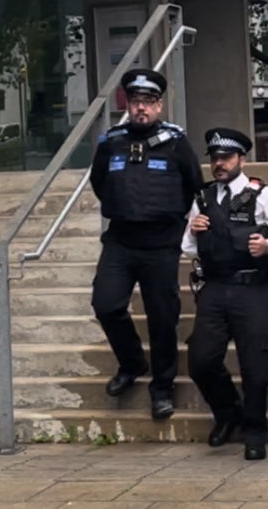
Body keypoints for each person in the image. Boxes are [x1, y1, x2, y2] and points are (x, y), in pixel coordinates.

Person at [89, 68, 204, 421]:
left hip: (160, 243)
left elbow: (194, 185)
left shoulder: (176, 142)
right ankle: (132, 363)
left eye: (148, 103)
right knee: (106, 304)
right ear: (128, 105)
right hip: (121, 241)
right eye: (136, 102)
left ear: (159, 105)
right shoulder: (112, 142)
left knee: (162, 317)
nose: (141, 109)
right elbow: (99, 183)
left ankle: (162, 387)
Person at [183, 127, 268, 461]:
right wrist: (193, 231)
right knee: (201, 361)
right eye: (215, 159)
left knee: (256, 366)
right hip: (215, 288)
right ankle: (227, 413)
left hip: (252, 289)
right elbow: (186, 247)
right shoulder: (202, 198)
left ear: (241, 160)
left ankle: (255, 431)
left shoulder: (262, 195)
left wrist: (267, 245)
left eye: (226, 158)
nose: (219, 164)